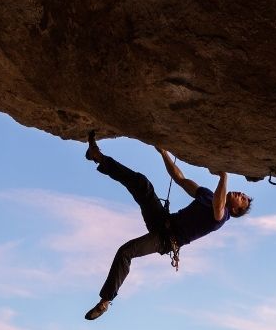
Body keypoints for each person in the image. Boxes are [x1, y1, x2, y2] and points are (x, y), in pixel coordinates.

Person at [82, 132, 252, 320]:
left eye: (242, 198)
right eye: (242, 193)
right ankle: (98, 157)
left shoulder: (223, 216)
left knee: (125, 252)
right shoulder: (207, 196)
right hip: (162, 219)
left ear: (235, 211)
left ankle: (105, 301)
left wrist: (223, 177)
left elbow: (218, 208)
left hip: (165, 240)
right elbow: (180, 179)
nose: (240, 194)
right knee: (142, 184)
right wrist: (164, 153)